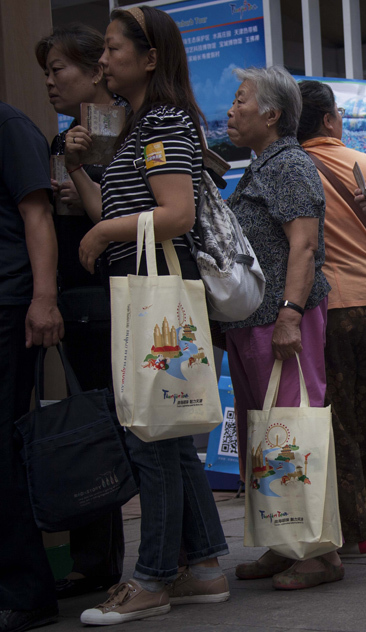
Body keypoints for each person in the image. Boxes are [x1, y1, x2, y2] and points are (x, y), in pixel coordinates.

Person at [65, 6, 229, 624]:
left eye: (112, 49)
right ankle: (206, 566)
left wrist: (107, 229)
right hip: (144, 293)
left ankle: (154, 579)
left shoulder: (162, 121)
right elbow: (117, 209)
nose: (102, 60)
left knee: (151, 436)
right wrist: (83, 173)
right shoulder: (141, 125)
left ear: (150, 57)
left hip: (154, 296)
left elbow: (177, 213)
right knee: (170, 434)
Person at [220, 67, 338, 590]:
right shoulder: (258, 165)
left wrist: (290, 313)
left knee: (295, 431)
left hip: (283, 321)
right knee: (265, 436)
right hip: (252, 323)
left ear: (271, 114)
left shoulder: (289, 163)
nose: (231, 109)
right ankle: (280, 538)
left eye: (241, 100)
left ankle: (317, 551)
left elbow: (304, 246)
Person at [35, 23, 126, 600]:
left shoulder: (120, 131)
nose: (49, 82)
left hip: (115, 298)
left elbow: (114, 219)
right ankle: (96, 561)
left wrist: (77, 182)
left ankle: (178, 556)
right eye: (45, 71)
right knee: (94, 429)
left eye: (58, 69)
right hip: (79, 298)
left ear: (97, 69)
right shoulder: (64, 137)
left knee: (125, 429)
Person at [296, 79, 366, 559]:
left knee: (339, 420)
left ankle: (355, 530)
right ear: (329, 120)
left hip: (329, 310)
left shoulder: (293, 169)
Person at [0, 100, 64, 632]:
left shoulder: (9, 126)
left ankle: (27, 590)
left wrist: (44, 298)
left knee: (2, 446)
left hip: (8, 305)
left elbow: (37, 212)